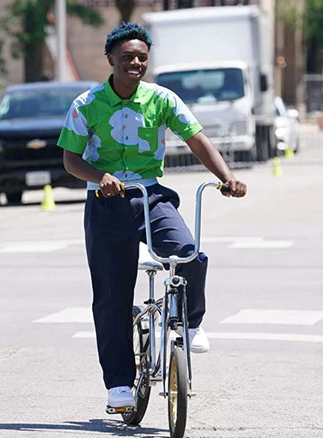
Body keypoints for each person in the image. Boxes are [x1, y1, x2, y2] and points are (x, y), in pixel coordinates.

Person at [56, 22, 247, 411]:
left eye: (142, 57)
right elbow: (70, 160)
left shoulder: (162, 100)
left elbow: (196, 139)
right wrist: (100, 176)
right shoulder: (86, 104)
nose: (136, 63)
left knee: (189, 254)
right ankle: (119, 385)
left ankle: (190, 322)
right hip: (106, 203)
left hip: (151, 197)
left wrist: (226, 179)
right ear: (111, 60)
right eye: (127, 57)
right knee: (111, 295)